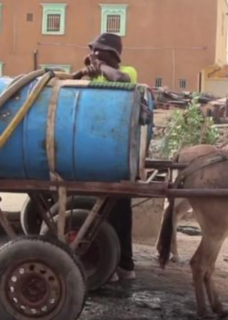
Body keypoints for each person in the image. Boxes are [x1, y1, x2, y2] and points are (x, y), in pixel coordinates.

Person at [73, 33, 137, 282]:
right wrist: (83, 72)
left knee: (120, 214)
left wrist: (99, 67)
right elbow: (70, 85)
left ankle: (124, 265)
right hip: (97, 153)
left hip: (117, 157)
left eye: (100, 52)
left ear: (114, 55)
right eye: (93, 52)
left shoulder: (127, 71)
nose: (95, 55)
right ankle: (108, 264)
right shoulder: (99, 73)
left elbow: (121, 80)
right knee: (100, 214)